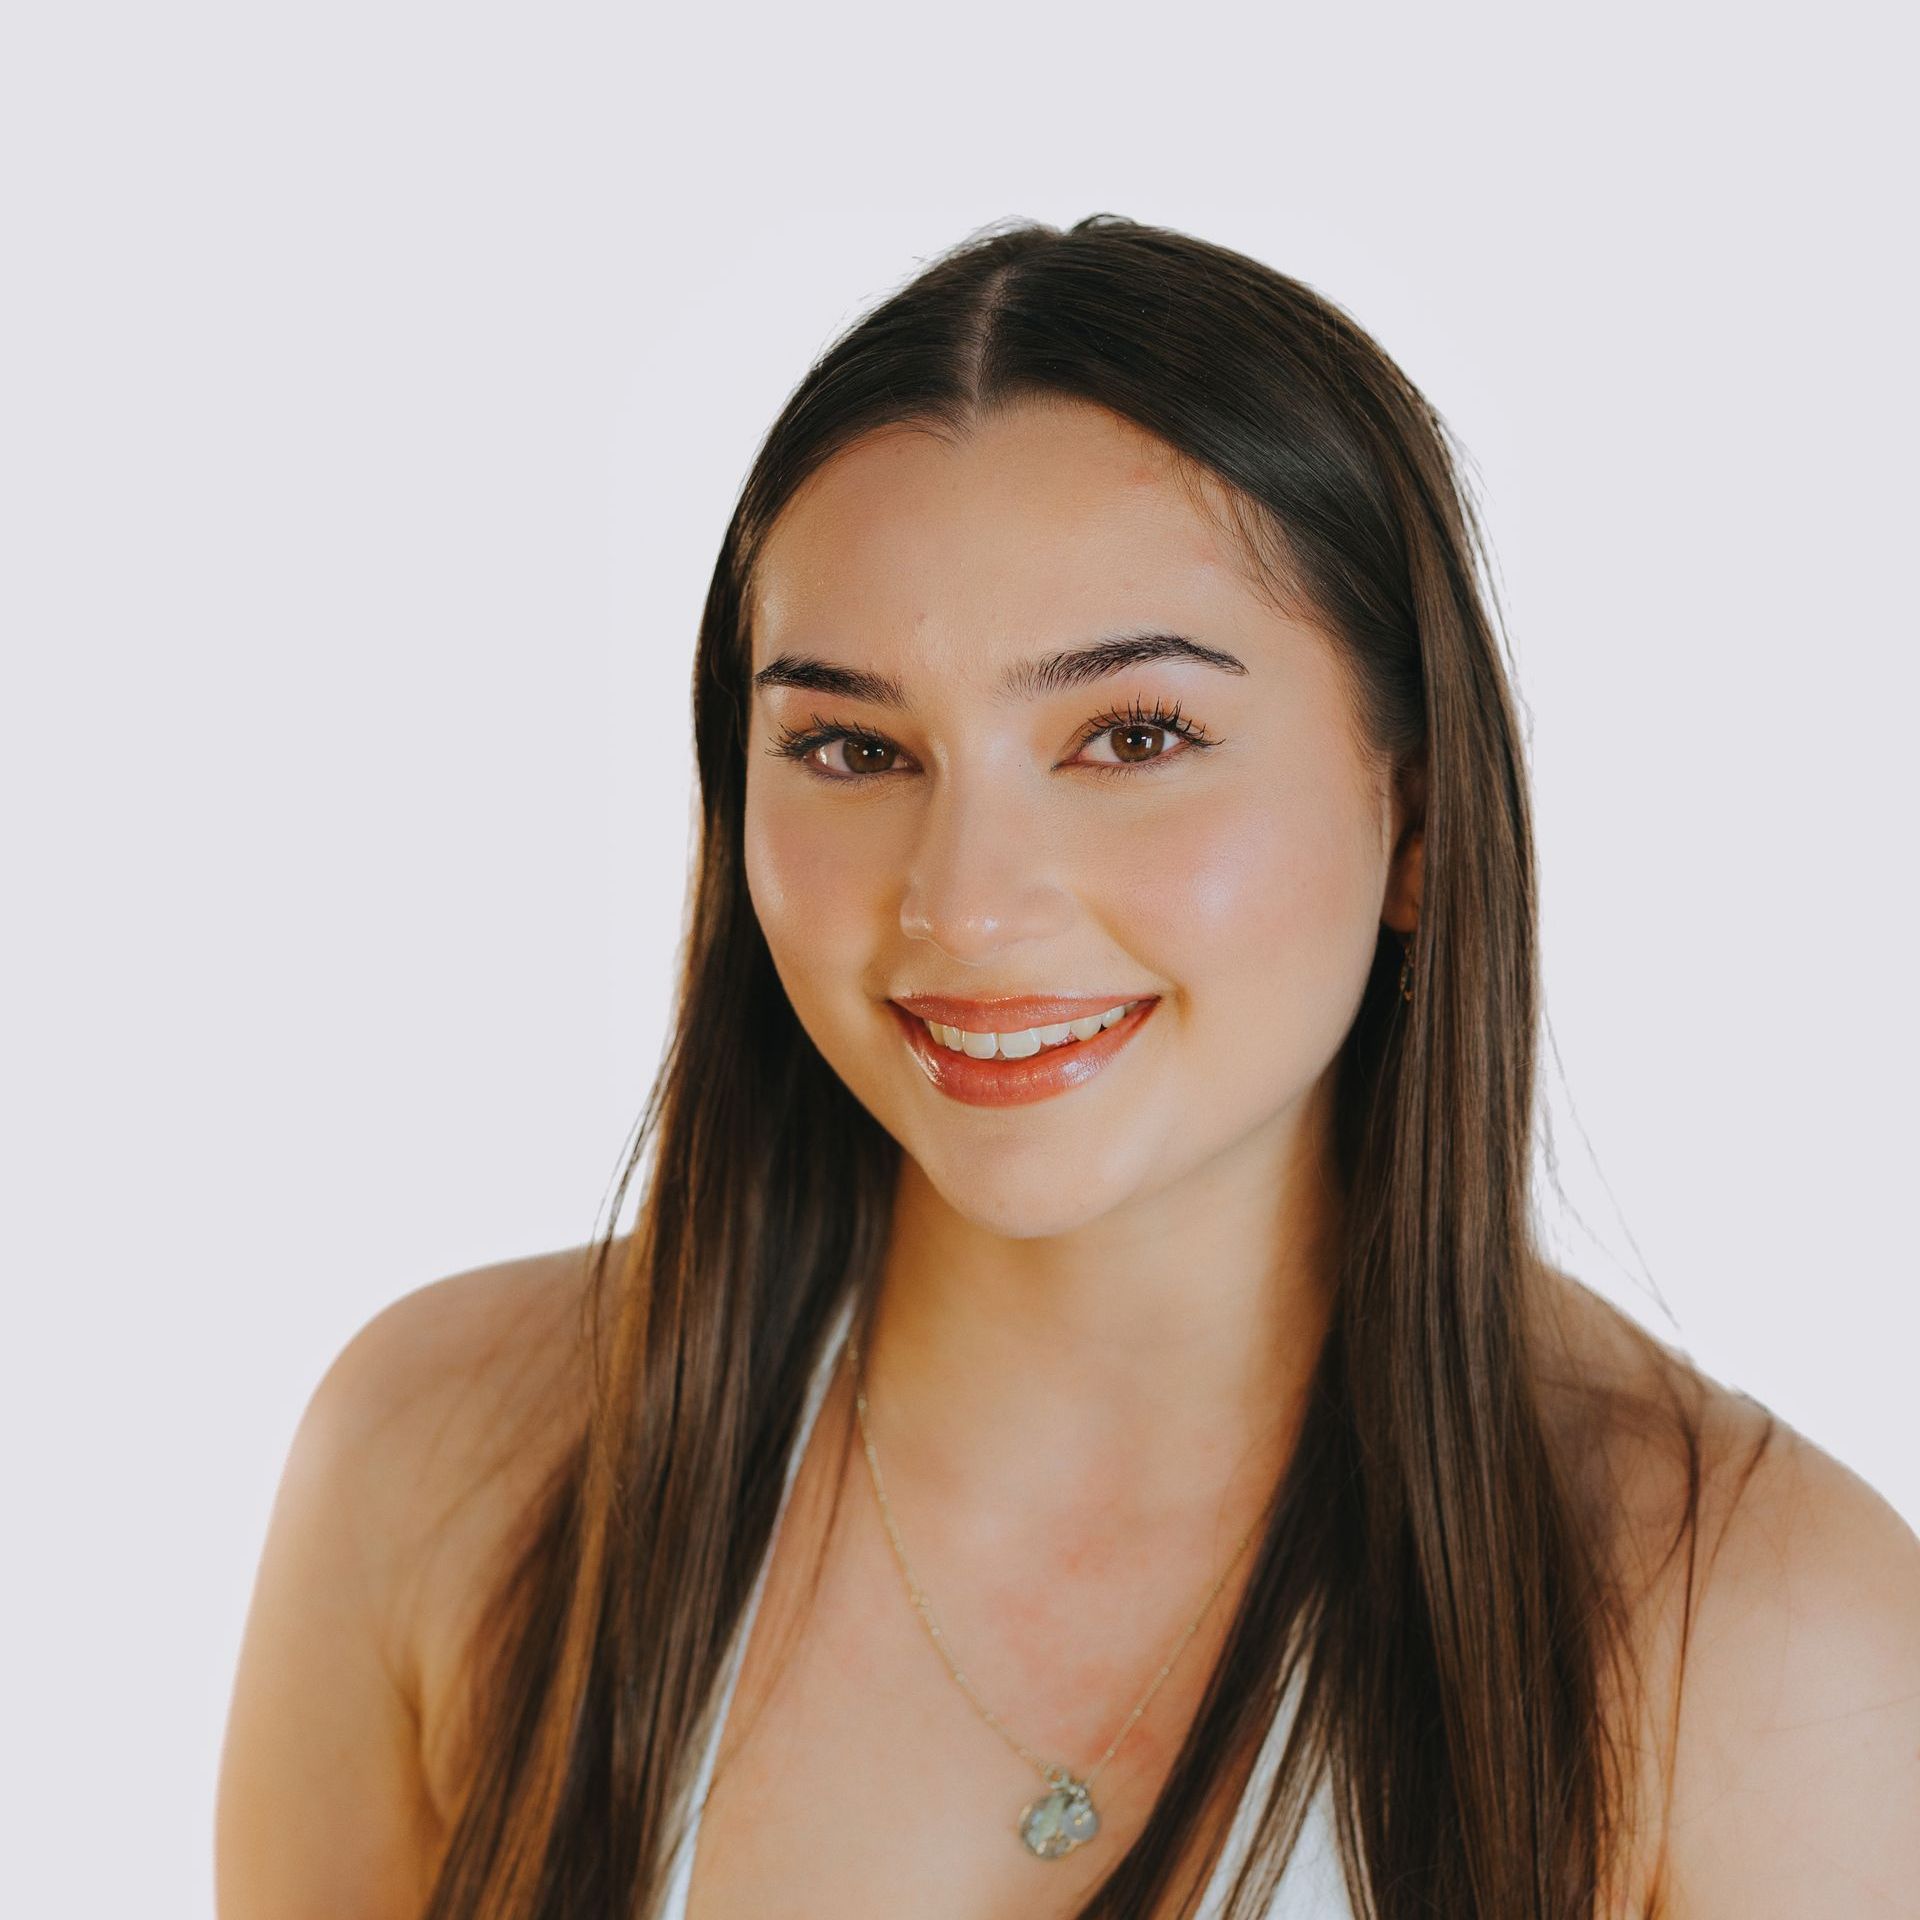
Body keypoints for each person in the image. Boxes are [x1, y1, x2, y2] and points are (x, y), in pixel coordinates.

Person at [216, 214, 1920, 1919]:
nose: (961, 907)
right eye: (851, 747)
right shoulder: (445, 1462)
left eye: (1134, 738)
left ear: (1416, 817)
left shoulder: (1765, 1649)